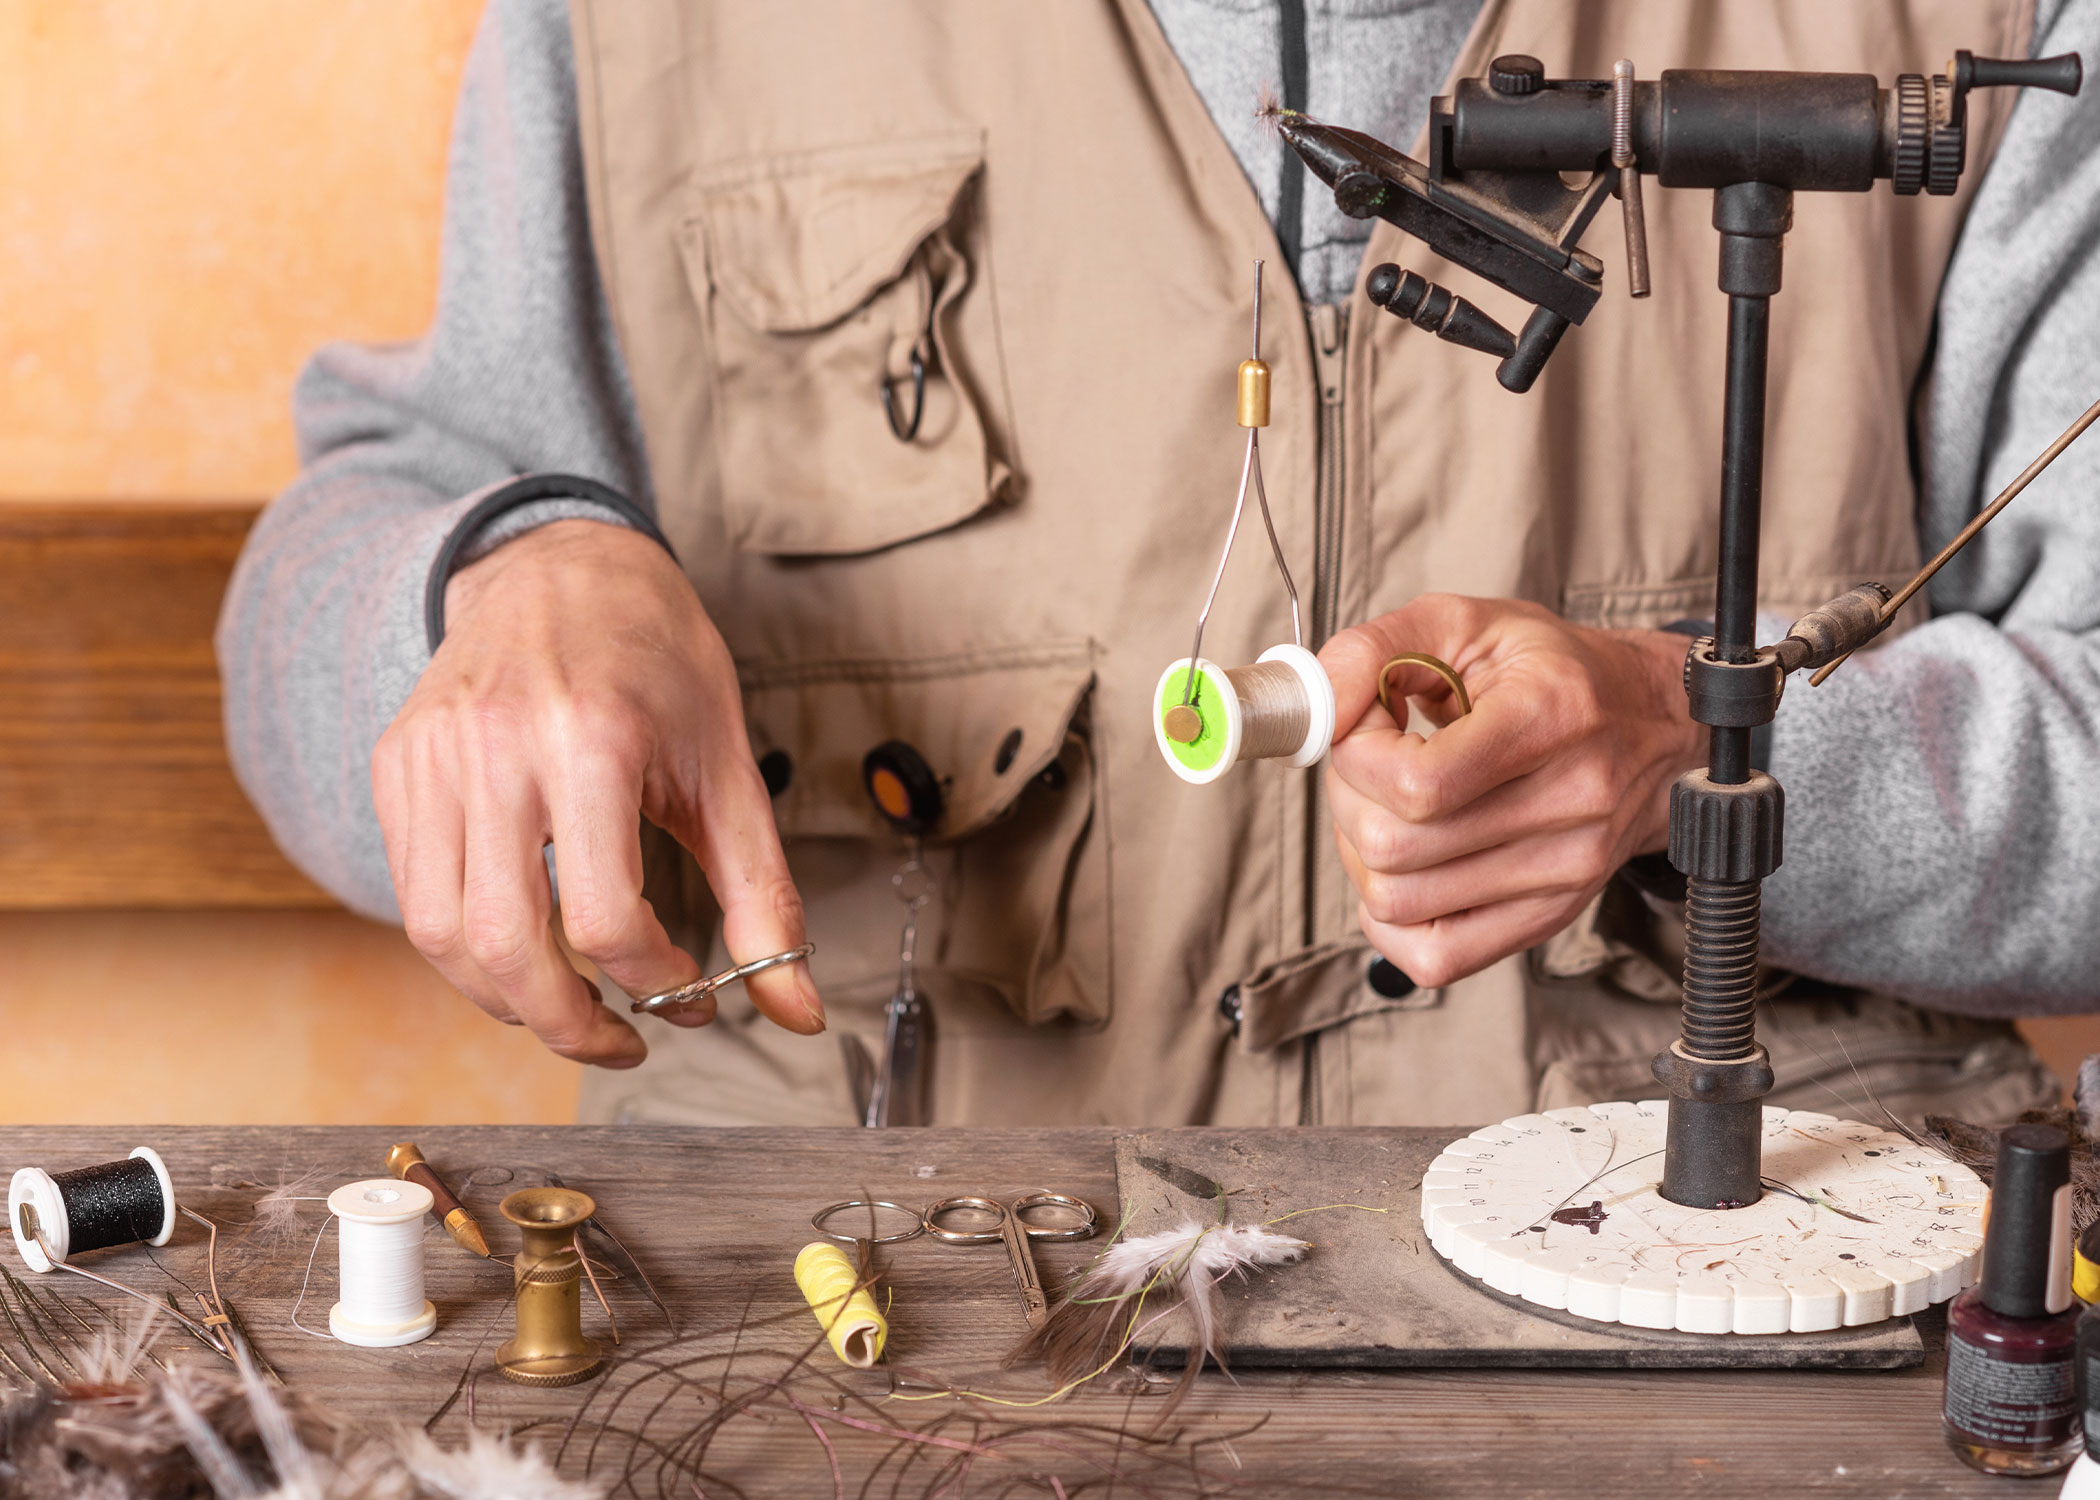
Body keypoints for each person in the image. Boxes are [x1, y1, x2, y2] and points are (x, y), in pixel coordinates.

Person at [219, 0, 2097, 1130]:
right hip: (888, 1333)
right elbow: (332, 577)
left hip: (1736, 1319)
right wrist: (505, 568)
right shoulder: (654, 27)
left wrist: (1709, 761)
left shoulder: (1997, 32)